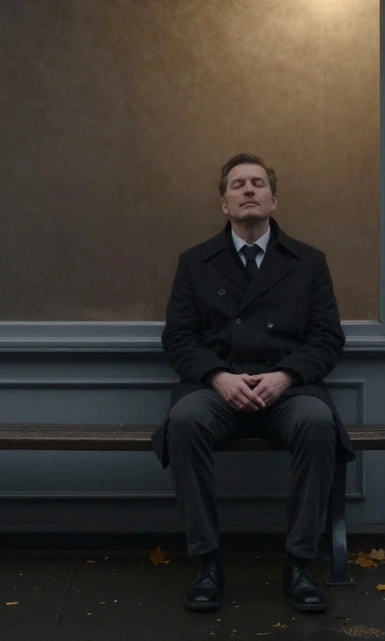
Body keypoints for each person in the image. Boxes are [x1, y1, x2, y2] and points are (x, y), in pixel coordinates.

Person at [151, 152, 354, 613]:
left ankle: (300, 563)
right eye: (238, 184)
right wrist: (218, 376)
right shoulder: (195, 263)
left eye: (257, 183)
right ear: (224, 203)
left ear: (273, 199)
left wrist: (285, 376)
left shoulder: (307, 262)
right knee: (183, 423)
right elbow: (178, 338)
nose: (248, 190)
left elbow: (327, 338)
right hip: (216, 388)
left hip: (287, 389)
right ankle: (207, 562)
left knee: (318, 424)